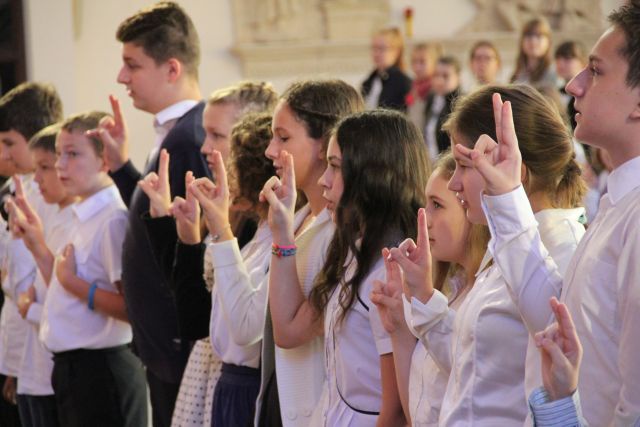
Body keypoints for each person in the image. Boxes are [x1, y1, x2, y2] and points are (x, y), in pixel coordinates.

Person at [462, 2, 640, 424]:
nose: (574, 85)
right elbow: (559, 319)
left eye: (595, 71)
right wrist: (506, 194)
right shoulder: (621, 203)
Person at [392, 85, 586, 425]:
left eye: (465, 166)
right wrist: (423, 296)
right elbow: (472, 364)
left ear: (515, 170)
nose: (453, 184)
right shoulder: (505, 245)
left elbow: (569, 390)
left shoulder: (563, 249)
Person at [262, 109, 428, 426]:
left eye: (336, 168)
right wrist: (282, 234)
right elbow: (288, 330)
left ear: (373, 176)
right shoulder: (355, 249)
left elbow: (396, 411)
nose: (324, 181)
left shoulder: (391, 269)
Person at [138, 81, 277, 426]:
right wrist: (176, 233)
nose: (204, 146)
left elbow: (205, 318)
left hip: (242, 380)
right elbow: (194, 310)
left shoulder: (254, 221)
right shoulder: (235, 211)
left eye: (217, 134)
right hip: (214, 372)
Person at [96, 3, 210, 425]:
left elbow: (188, 248)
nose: (122, 77)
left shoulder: (188, 141)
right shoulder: (173, 134)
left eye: (132, 65)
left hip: (177, 343)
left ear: (172, 69)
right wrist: (122, 169)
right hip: (162, 344)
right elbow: (153, 226)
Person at [259, 79, 364, 426]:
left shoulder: (343, 233)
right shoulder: (299, 216)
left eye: (283, 138)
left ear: (325, 144)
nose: (271, 151)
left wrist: (281, 238)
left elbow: (290, 332)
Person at [36, 112, 147, 427]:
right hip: (74, 370)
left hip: (102, 370)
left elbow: (132, 308)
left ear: (103, 161)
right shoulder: (81, 213)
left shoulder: (112, 219)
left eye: (73, 154)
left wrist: (74, 284)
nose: (60, 165)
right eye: (59, 154)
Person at [371, 151, 490, 426]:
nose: (425, 220)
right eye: (425, 205)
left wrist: (423, 298)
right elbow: (416, 413)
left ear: (471, 208)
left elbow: (466, 370)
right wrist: (400, 329)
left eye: (437, 205)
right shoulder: (452, 292)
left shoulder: (486, 298)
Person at [0, 82, 63, 427]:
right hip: (20, 352)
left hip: (47, 354)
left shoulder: (53, 200)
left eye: (9, 143)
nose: (2, 153)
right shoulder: (12, 193)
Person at [7, 124, 76, 427]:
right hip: (34, 365)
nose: (37, 179)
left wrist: (31, 308)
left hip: (57, 369)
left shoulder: (81, 221)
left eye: (45, 167)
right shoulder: (53, 216)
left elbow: (66, 303)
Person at [361, 27, 412, 111]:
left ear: (397, 51)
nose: (376, 53)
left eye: (381, 48)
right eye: (374, 48)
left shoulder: (403, 83)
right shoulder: (369, 81)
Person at [423, 56, 462, 160]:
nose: (439, 80)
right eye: (436, 75)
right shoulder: (431, 98)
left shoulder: (460, 104)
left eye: (446, 76)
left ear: (457, 77)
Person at [511, 17, 558, 88]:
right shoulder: (518, 74)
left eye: (539, 36)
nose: (533, 41)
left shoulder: (554, 73)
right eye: (528, 35)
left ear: (548, 41)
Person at [406, 42, 442, 131]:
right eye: (414, 61)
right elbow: (409, 105)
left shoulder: (437, 89)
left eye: (422, 62)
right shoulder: (414, 85)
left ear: (435, 63)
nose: (417, 67)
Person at [554, 41, 587, 132]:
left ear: (582, 62)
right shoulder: (556, 93)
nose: (560, 63)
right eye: (557, 58)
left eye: (567, 58)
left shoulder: (589, 96)